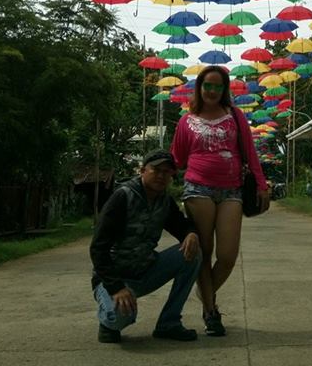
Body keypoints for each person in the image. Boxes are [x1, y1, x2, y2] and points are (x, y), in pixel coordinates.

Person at [170, 65, 270, 337]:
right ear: (199, 88)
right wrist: (153, 178)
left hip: (232, 192)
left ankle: (205, 294)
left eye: (217, 86)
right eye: (207, 85)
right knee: (204, 252)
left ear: (224, 90)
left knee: (226, 256)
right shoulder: (186, 121)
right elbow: (176, 159)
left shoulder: (235, 116)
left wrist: (261, 186)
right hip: (197, 189)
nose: (212, 91)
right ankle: (211, 313)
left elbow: (250, 153)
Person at [89, 149, 201, 345]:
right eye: (156, 170)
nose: (161, 176)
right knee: (121, 317)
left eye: (167, 172)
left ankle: (169, 323)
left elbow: (180, 225)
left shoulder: (164, 200)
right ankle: (107, 323)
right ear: (142, 170)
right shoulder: (122, 197)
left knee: (193, 253)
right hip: (114, 279)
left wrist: (190, 233)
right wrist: (116, 288)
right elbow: (98, 248)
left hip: (146, 270)